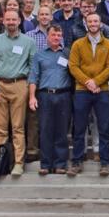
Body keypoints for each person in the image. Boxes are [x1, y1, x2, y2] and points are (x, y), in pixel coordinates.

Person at [0, 9, 35, 177]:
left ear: (19, 21)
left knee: (18, 127)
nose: (11, 22)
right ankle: (0, 163)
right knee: (1, 129)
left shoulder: (28, 42)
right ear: (2, 21)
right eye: (8, 19)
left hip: (19, 85)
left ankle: (18, 163)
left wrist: (28, 88)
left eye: (14, 19)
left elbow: (32, 67)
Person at [69, 12, 109, 178]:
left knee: (103, 128)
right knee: (79, 128)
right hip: (82, 91)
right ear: (86, 23)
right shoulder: (78, 44)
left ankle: (104, 162)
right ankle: (77, 161)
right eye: (90, 21)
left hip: (101, 91)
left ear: (101, 23)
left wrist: (96, 82)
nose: (93, 23)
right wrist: (88, 82)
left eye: (96, 20)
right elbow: (73, 66)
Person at [29, 24, 73, 175]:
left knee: (61, 131)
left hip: (64, 95)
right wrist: (32, 96)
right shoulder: (39, 55)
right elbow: (33, 77)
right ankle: (46, 164)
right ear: (47, 36)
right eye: (53, 35)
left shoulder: (67, 53)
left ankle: (60, 164)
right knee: (46, 130)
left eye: (58, 35)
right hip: (45, 95)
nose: (56, 38)